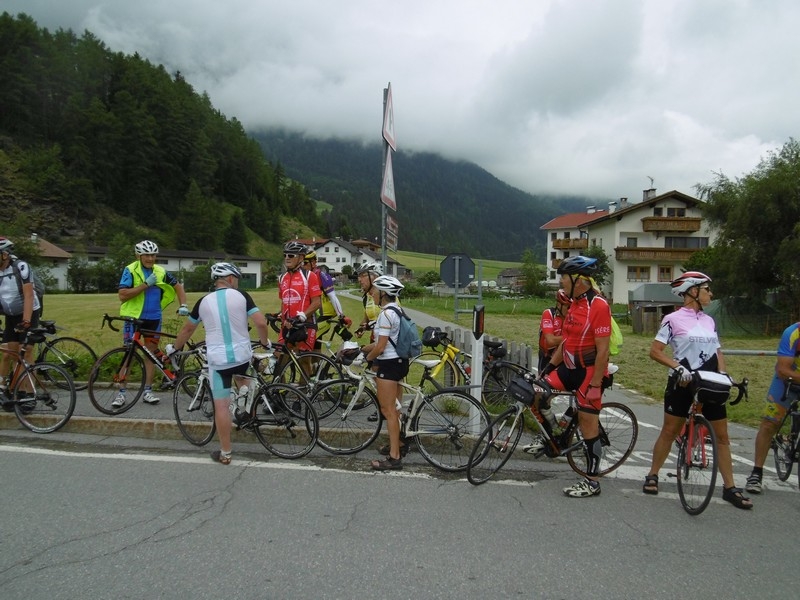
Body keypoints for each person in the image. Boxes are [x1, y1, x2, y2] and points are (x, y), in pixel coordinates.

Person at [642, 271, 752, 509]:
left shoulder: (709, 320)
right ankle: (653, 474)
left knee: (722, 438)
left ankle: (730, 488)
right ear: (693, 291)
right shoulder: (673, 319)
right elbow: (655, 351)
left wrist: (724, 374)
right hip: (683, 382)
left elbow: (717, 351)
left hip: (710, 382)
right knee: (670, 431)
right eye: (706, 289)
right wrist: (678, 367)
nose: (710, 293)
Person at [168, 263, 271, 465]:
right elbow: (260, 323)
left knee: (221, 407)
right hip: (242, 356)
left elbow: (188, 330)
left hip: (219, 360)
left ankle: (225, 453)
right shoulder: (242, 295)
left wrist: (175, 349)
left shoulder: (203, 301)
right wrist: (265, 342)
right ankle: (246, 415)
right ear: (231, 279)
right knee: (246, 385)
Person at [537, 255, 611, 498]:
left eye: (564, 278)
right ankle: (556, 436)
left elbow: (603, 350)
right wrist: (547, 369)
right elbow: (566, 342)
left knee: (589, 427)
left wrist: (596, 384)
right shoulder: (574, 304)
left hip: (588, 372)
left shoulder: (598, 305)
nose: (561, 283)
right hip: (567, 368)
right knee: (536, 393)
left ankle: (592, 481)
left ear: (578, 280)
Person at [115, 240, 188, 407]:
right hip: (133, 318)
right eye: (146, 255)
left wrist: (183, 304)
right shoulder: (130, 270)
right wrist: (146, 285)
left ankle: (148, 391)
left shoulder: (160, 271)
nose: (150, 258)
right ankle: (121, 393)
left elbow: (178, 286)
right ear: (138, 256)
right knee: (128, 355)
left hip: (154, 318)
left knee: (150, 355)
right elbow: (123, 295)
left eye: (153, 255)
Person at [744, 321, 800, 494]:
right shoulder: (792, 333)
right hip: (786, 381)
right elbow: (783, 370)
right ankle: (757, 472)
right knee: (769, 424)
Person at [361, 275, 409, 471]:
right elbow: (384, 341)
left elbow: (380, 347)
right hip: (399, 362)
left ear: (383, 293)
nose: (371, 293)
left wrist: (368, 358)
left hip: (388, 365)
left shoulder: (385, 315)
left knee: (388, 411)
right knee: (395, 410)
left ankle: (394, 458)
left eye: (374, 290)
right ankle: (399, 445)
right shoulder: (397, 310)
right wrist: (364, 349)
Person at [523, 289, 571, 452]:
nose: (569, 311)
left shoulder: (573, 317)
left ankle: (562, 432)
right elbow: (549, 340)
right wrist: (572, 338)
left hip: (566, 362)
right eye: (567, 307)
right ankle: (549, 433)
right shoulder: (549, 314)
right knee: (539, 399)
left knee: (567, 398)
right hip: (548, 361)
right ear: (559, 304)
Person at [0, 237, 42, 405]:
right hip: (10, 314)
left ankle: (30, 393)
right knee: (9, 352)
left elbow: (29, 295)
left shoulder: (21, 267)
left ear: (5, 255)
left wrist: (26, 320)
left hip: (29, 311)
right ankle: (7, 389)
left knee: (27, 351)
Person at [278, 241, 321, 354]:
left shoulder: (309, 276)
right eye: (285, 255)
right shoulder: (282, 278)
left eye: (291, 255)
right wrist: (280, 316)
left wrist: (302, 316)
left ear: (301, 257)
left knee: (304, 360)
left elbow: (317, 302)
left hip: (306, 325)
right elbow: (284, 302)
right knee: (280, 356)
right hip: (288, 325)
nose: (287, 258)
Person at [354, 262, 384, 422]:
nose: (360, 279)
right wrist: (362, 327)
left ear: (374, 277)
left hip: (384, 342)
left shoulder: (384, 294)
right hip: (375, 339)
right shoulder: (367, 297)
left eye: (363, 276)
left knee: (379, 376)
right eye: (359, 276)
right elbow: (368, 316)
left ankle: (384, 408)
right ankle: (384, 406)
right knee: (375, 375)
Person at [303, 250, 351, 347]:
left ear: (313, 263)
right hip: (313, 315)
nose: (302, 265)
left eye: (305, 263)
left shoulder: (321, 275)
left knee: (306, 342)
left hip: (324, 315)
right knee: (313, 346)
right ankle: (316, 362)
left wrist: (341, 316)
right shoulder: (303, 276)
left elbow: (333, 296)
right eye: (301, 263)